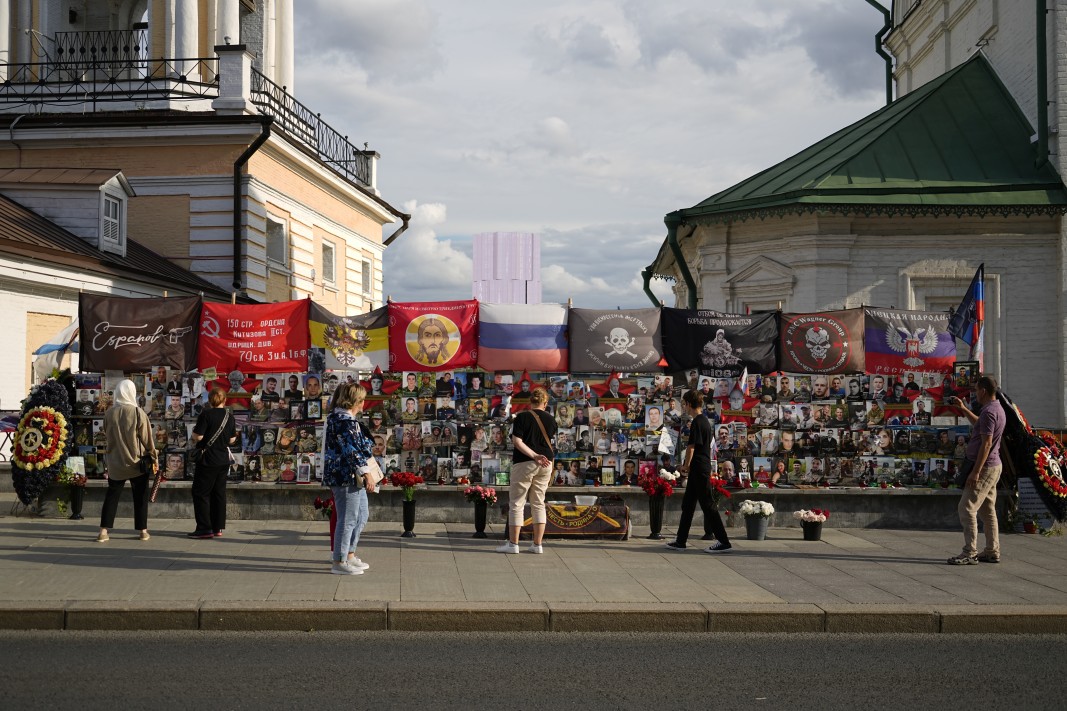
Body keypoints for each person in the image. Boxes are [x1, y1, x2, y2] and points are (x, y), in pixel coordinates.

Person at [947, 376, 1006, 565]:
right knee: (988, 510)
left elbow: (987, 443)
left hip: (985, 466)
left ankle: (969, 552)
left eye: (976, 390)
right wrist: (963, 409)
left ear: (983, 391)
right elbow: (979, 424)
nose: (974, 394)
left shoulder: (990, 412)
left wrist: (976, 472)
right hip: (993, 465)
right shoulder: (994, 409)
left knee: (966, 508)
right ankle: (991, 550)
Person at [666, 389, 732, 553]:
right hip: (698, 469)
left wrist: (685, 466)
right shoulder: (704, 421)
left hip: (699, 469)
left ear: (688, 404)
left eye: (684, 405)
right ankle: (681, 541)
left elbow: (691, 447)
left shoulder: (697, 422)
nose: (684, 408)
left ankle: (723, 541)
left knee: (708, 504)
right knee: (688, 505)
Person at [323, 382, 376, 575]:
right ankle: (339, 560)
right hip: (344, 476)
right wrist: (367, 473)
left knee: (361, 515)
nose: (363, 404)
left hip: (349, 476)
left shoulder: (344, 419)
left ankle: (349, 554)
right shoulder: (343, 421)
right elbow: (351, 451)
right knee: (347, 519)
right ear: (353, 401)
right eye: (361, 400)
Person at [497, 387, 557, 554]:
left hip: (525, 461)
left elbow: (517, 441)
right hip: (546, 463)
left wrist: (534, 455)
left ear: (531, 401)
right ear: (545, 403)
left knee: (517, 502)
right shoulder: (551, 420)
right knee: (538, 502)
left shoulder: (522, 417)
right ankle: (537, 545)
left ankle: (513, 544)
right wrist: (540, 456)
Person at [97, 379, 157, 543]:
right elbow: (147, 439)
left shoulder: (109, 413)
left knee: (112, 496)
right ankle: (143, 531)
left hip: (116, 462)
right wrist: (154, 455)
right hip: (136, 463)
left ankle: (103, 531)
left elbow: (107, 436)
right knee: (140, 496)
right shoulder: (138, 413)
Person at [186, 387, 238, 539]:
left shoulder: (206, 414)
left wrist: (195, 434)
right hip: (223, 460)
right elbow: (232, 440)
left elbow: (199, 437)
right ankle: (217, 527)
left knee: (201, 493)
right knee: (219, 493)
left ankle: (204, 528)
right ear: (224, 400)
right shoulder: (230, 416)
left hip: (207, 459)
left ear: (209, 400)